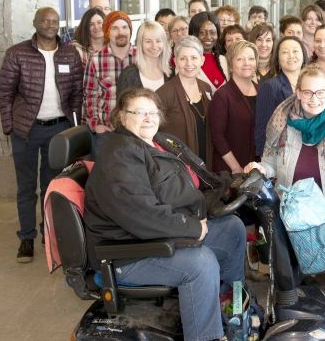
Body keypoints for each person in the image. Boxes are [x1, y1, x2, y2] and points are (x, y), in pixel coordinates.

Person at [84, 87, 246, 341]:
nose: (148, 118)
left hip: (156, 237)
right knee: (200, 263)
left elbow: (193, 182)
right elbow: (141, 214)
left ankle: (226, 304)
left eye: (152, 112)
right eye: (138, 112)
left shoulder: (159, 142)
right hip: (127, 252)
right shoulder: (120, 155)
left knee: (231, 228)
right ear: (121, 117)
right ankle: (206, 336)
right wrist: (192, 227)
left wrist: (232, 184)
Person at [244, 65, 325, 323]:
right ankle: (295, 298)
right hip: (292, 208)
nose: (314, 99)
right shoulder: (284, 121)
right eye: (307, 92)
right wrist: (262, 168)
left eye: (320, 93)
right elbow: (271, 160)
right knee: (288, 268)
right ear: (297, 92)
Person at [0, 7, 84, 262]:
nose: (50, 24)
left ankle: (50, 234)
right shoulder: (17, 53)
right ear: (35, 23)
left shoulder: (69, 53)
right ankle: (26, 237)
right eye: (45, 20)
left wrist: (74, 124)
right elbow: (4, 92)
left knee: (52, 186)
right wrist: (9, 126)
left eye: (55, 21)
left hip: (59, 129)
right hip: (26, 130)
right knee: (26, 187)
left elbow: (77, 92)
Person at [156, 36, 214, 168]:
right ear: (175, 61)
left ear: (202, 60)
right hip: (178, 167)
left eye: (194, 58)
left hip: (206, 164)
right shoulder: (163, 93)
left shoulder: (206, 88)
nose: (189, 63)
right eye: (183, 58)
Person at [209, 40, 259, 174]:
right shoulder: (222, 95)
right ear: (231, 64)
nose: (246, 63)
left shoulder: (262, 91)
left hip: (257, 168)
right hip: (231, 171)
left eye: (251, 58)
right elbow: (217, 137)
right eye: (240, 59)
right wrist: (236, 168)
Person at [254, 36, 308, 157]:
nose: (291, 55)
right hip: (281, 155)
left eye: (295, 51)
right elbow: (262, 129)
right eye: (285, 52)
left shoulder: (312, 84)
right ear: (277, 58)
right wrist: (264, 162)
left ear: (303, 55)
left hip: (310, 151)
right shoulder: (270, 86)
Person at [84, 11, 137, 134]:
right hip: (107, 130)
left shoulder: (140, 57)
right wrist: (96, 125)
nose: (121, 32)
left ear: (130, 30)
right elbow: (90, 96)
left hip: (136, 129)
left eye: (124, 27)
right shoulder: (95, 60)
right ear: (107, 32)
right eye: (115, 28)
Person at [116, 21, 172, 97]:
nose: (154, 46)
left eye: (158, 41)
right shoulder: (128, 75)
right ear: (140, 43)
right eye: (148, 41)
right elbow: (121, 107)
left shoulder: (172, 74)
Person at [189, 12, 227, 89]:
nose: (208, 37)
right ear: (193, 35)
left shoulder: (223, 60)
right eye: (202, 33)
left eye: (213, 32)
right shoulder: (187, 61)